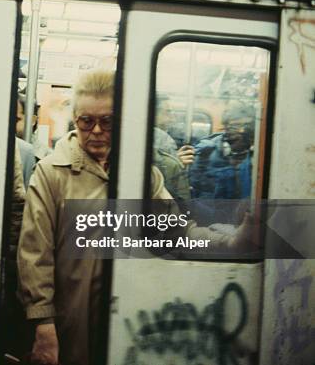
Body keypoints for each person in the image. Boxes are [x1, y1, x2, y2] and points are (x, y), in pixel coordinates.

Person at [17, 69, 251, 365]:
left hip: (126, 316)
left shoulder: (144, 177)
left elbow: (178, 234)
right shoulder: (51, 174)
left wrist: (232, 242)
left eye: (108, 121)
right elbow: (35, 254)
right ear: (75, 120)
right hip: (70, 319)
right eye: (87, 121)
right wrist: (43, 322)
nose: (97, 131)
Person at [190, 101, 255, 200]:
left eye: (246, 127)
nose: (241, 131)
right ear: (226, 128)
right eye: (235, 126)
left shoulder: (258, 153)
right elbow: (198, 189)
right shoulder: (207, 152)